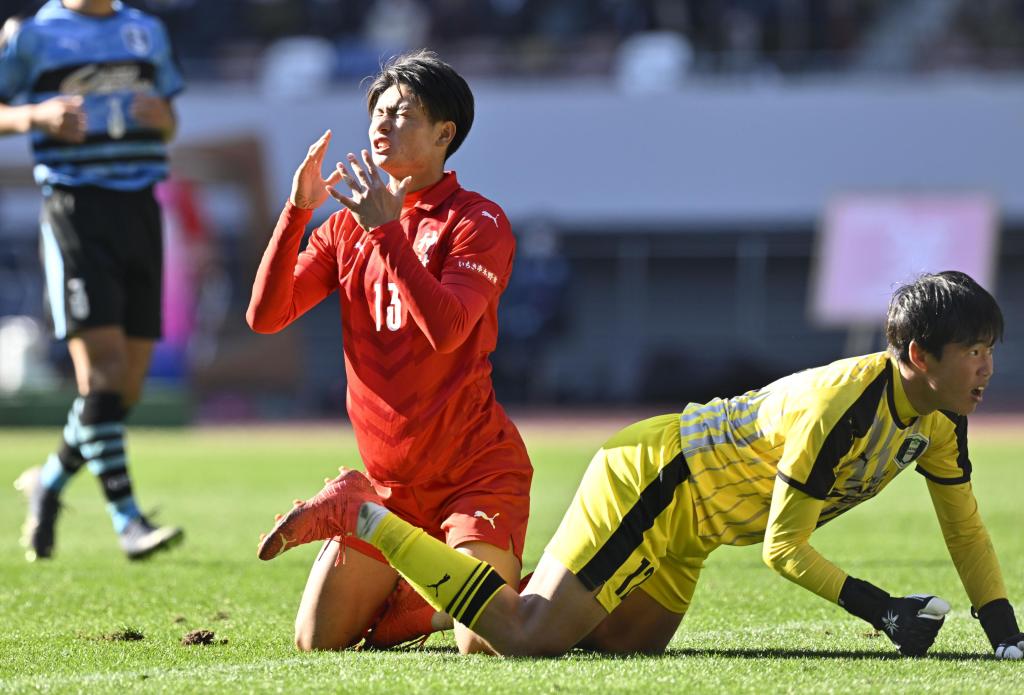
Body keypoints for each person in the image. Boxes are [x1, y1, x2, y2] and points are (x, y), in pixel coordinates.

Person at [261, 270, 1024, 659]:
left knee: (617, 647)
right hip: (659, 476)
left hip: (693, 523)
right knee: (531, 638)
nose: (990, 367)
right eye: (977, 352)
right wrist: (881, 610)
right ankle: (365, 513)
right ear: (920, 356)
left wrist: (1005, 633)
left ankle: (429, 606)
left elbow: (966, 529)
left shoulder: (939, 420)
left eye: (992, 348)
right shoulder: (845, 405)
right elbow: (784, 549)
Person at [248, 50, 533, 653]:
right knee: (315, 642)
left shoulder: (477, 220)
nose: (382, 123)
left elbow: (449, 329)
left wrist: (386, 229)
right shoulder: (346, 226)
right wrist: (298, 210)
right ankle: (434, 589)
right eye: (377, 110)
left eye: (402, 113)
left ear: (444, 133)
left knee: (482, 646)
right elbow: (266, 317)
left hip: (473, 475)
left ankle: (455, 602)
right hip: (387, 488)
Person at [1, 0, 184, 561]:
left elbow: (171, 118)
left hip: (141, 210)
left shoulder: (146, 31)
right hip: (76, 209)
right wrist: (36, 116)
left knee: (123, 390)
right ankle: (127, 520)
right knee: (101, 376)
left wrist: (164, 120)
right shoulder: (34, 35)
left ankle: (48, 483)